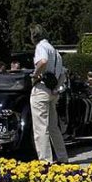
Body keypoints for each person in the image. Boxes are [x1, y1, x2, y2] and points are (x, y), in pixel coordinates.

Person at [29, 24, 68, 164]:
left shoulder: (41, 47)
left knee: (40, 127)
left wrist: (35, 75)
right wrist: (56, 87)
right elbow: (63, 74)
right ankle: (62, 157)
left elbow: (43, 61)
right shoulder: (55, 51)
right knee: (53, 127)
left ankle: (45, 161)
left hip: (41, 89)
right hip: (52, 91)